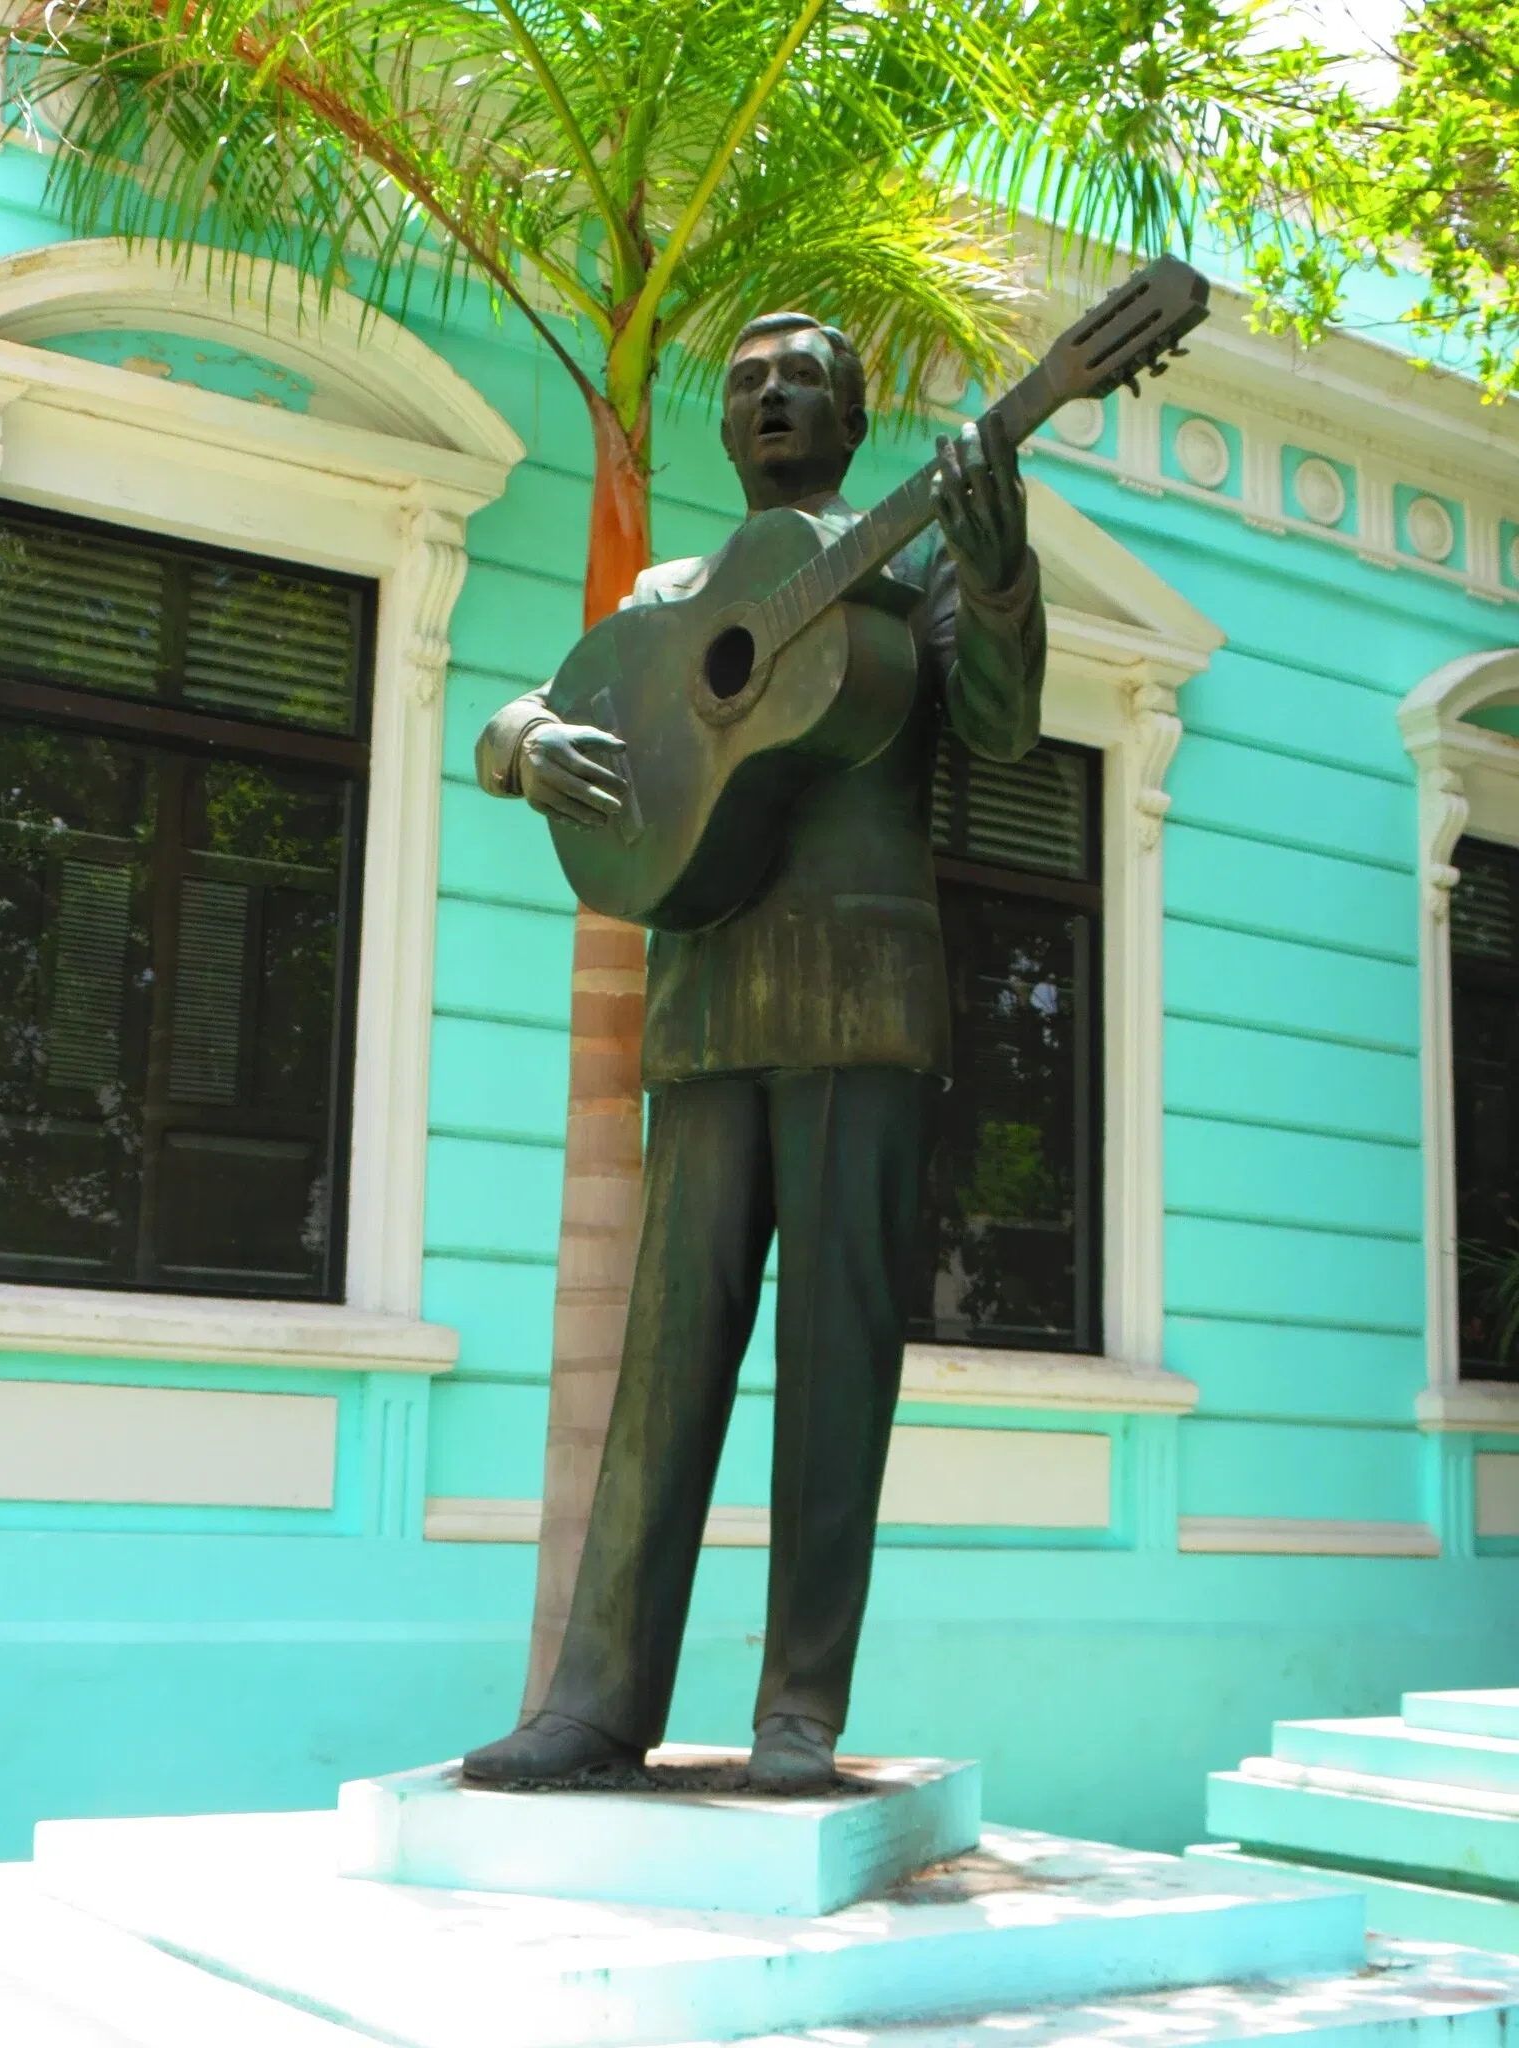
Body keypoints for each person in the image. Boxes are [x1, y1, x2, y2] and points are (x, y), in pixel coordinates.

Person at [466, 310, 1046, 1793]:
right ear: (723, 431)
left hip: (862, 993)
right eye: (747, 386)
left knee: (837, 1358)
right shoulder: (671, 591)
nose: (774, 400)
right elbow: (547, 703)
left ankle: (798, 1709)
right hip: (709, 996)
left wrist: (995, 571)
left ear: (854, 422)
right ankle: (597, 1700)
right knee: (663, 1365)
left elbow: (998, 727)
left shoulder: (905, 556)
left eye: (805, 382)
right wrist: (523, 739)